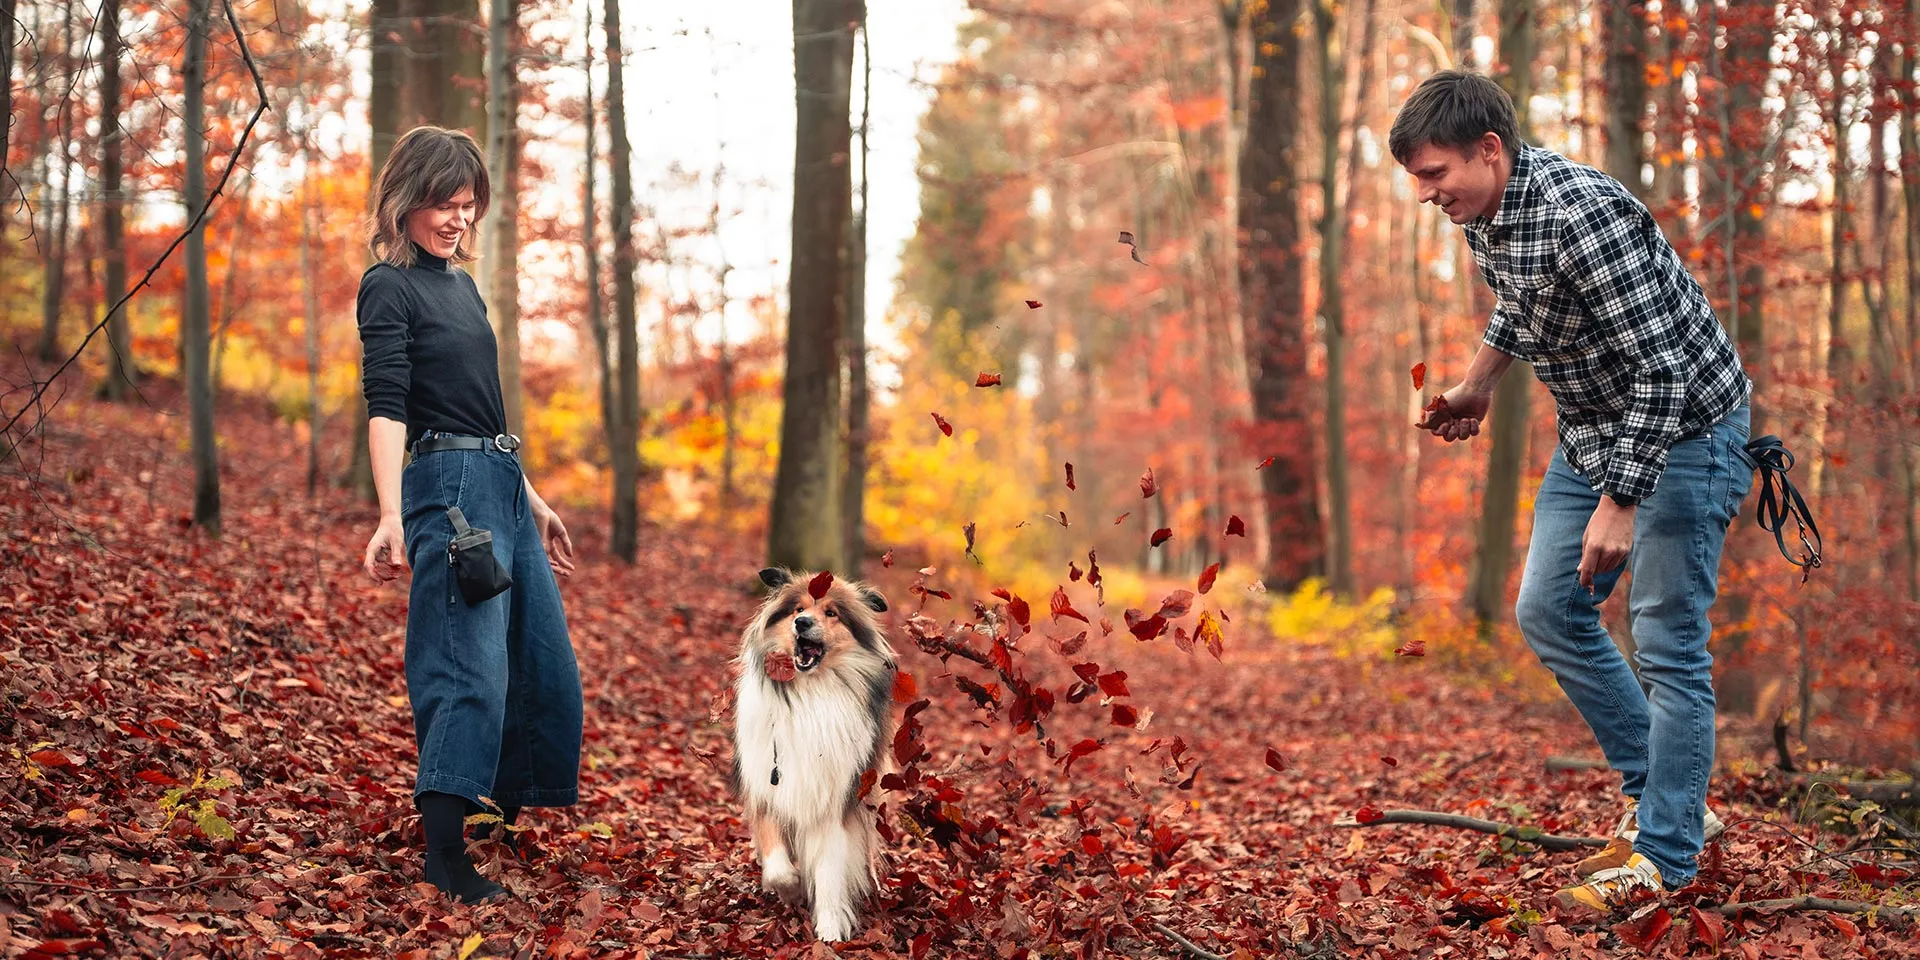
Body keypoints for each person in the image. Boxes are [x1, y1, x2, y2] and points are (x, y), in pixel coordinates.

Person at [1390, 71, 1756, 912]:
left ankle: (1664, 858)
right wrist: (1480, 383)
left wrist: (1622, 501)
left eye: (1435, 174)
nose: (1425, 195)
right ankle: (1669, 801)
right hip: (1593, 429)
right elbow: (1524, 304)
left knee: (1666, 640)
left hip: (1687, 430)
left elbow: (1663, 372)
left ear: (1490, 150)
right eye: (1416, 179)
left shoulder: (1581, 215)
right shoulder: (1488, 215)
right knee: (1550, 611)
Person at [356, 125, 585, 904]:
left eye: (468, 205)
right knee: (468, 668)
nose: (457, 220)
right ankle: (445, 855)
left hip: (501, 480)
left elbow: (481, 408)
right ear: (406, 202)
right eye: (443, 204)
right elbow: (388, 406)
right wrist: (391, 514)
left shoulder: (465, 286)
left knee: (542, 663)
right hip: (447, 490)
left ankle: (494, 819)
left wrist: (534, 499)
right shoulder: (389, 285)